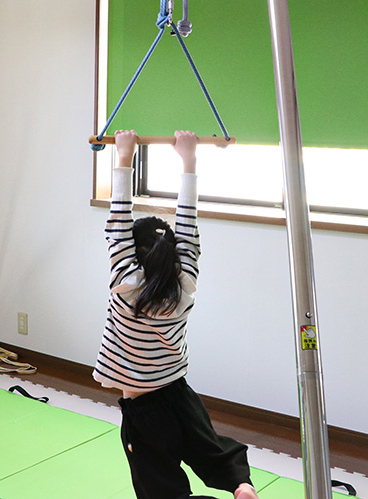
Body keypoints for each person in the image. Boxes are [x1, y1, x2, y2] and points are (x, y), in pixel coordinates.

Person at [93, 129, 259, 499]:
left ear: (131, 253)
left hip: (145, 411)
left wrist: (124, 156)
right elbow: (187, 222)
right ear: (174, 252)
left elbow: (117, 219)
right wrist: (189, 159)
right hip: (181, 395)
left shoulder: (125, 284)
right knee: (213, 450)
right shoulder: (185, 284)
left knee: (161, 490)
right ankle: (241, 484)